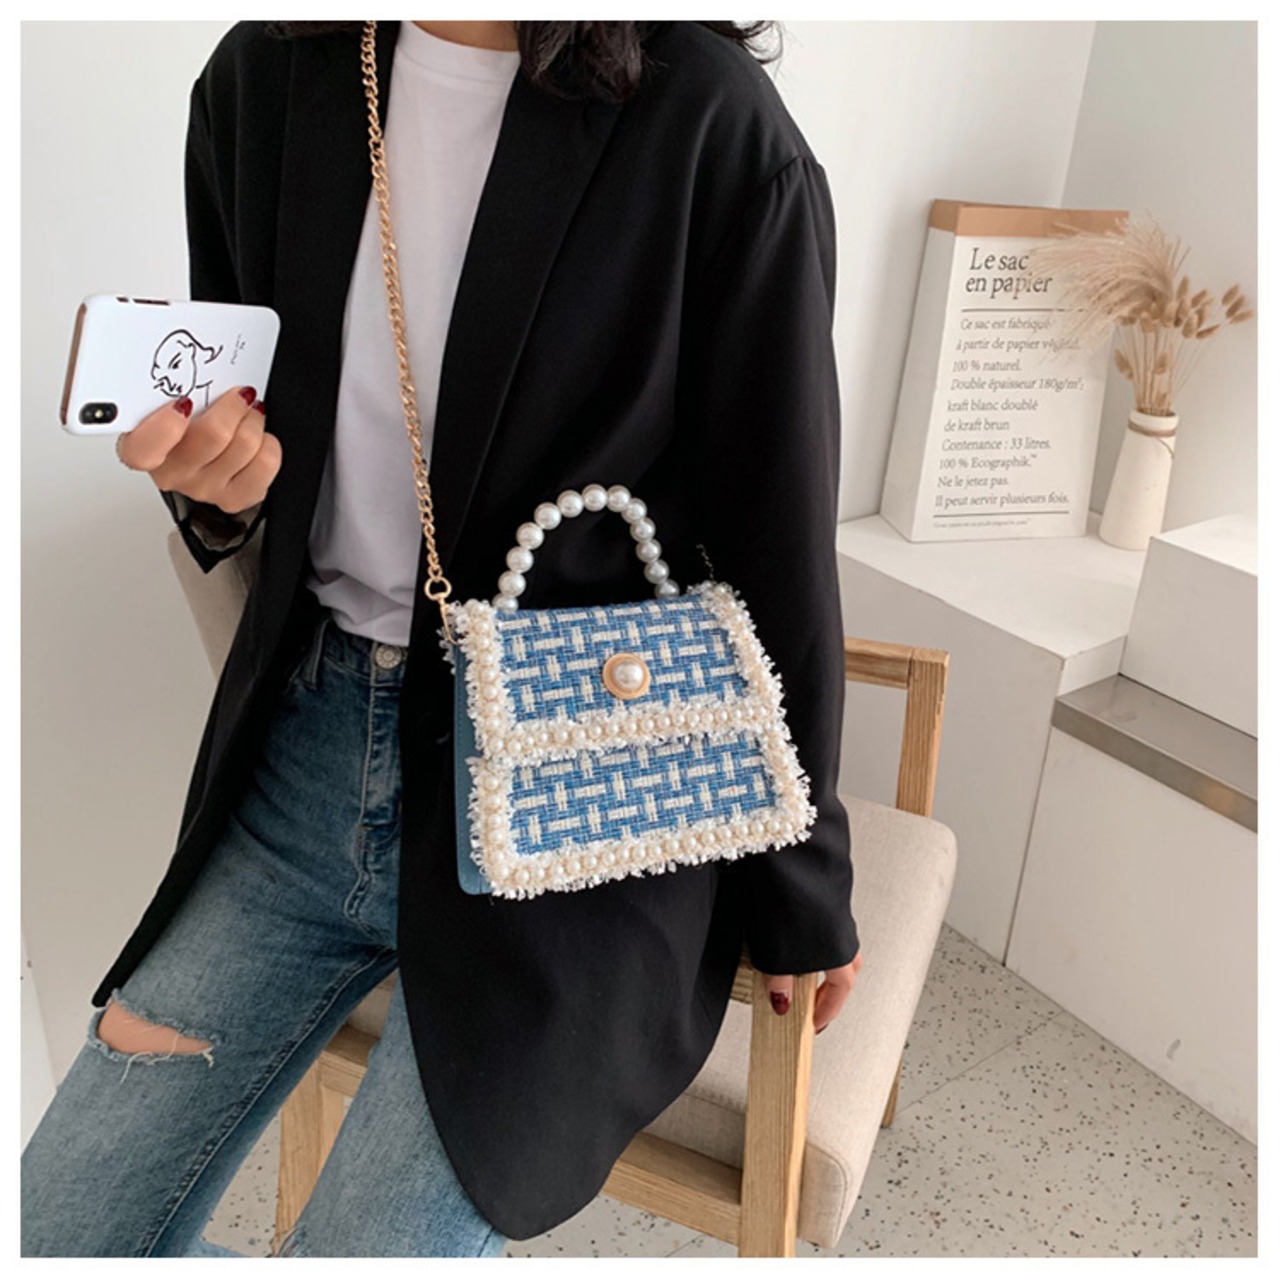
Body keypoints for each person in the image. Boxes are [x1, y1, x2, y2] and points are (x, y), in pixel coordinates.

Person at [22, 19, 865, 1258]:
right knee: (52, 1227)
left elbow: (776, 529)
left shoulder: (706, 122)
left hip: (579, 800)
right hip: (301, 762)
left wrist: (800, 881)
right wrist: (214, 487)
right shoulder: (264, 81)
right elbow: (254, 443)